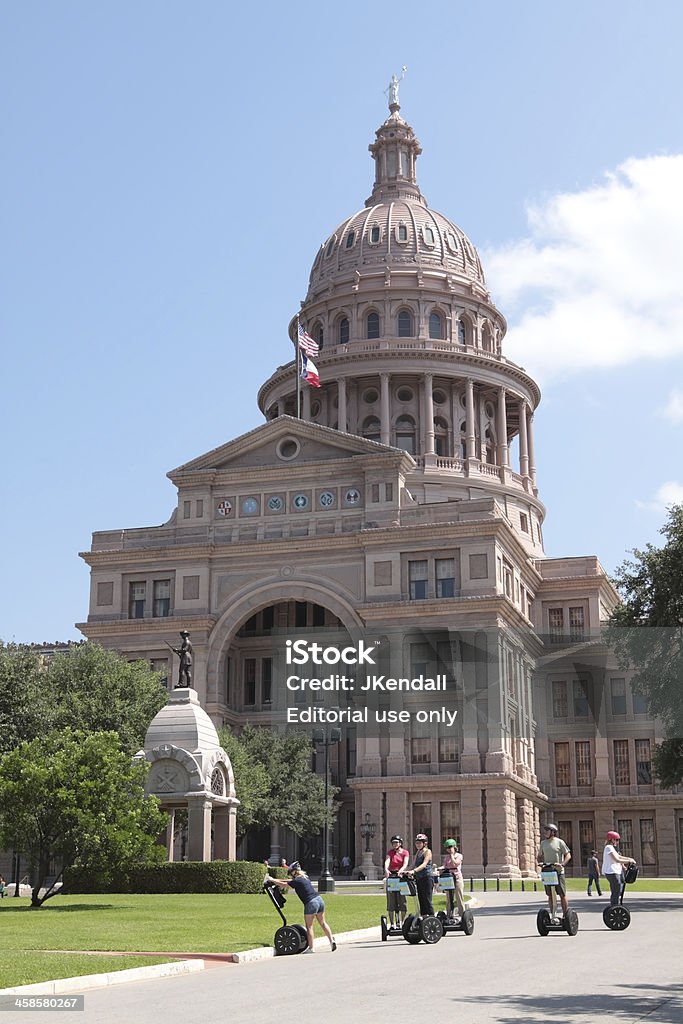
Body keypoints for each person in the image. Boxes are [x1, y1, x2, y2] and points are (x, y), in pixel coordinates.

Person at [266, 861, 336, 953]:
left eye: (291, 873)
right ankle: (332, 941)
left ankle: (311, 948)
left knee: (309, 926)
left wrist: (272, 880)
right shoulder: (304, 877)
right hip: (319, 900)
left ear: (294, 872)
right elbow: (288, 881)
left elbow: (284, 885)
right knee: (323, 923)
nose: (291, 875)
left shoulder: (297, 880)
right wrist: (274, 879)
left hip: (311, 903)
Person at [537, 822, 571, 921]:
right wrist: (540, 863)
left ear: (552, 832)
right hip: (547, 871)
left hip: (558, 871)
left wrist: (562, 864)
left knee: (562, 894)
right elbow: (539, 856)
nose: (545, 832)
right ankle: (553, 915)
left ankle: (566, 915)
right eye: (545, 830)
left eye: (547, 831)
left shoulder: (559, 842)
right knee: (550, 895)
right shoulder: (543, 843)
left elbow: (568, 855)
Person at [602, 831, 636, 906]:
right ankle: (615, 907)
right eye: (616, 840)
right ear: (612, 840)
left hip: (615, 872)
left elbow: (619, 857)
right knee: (616, 891)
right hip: (612, 872)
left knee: (617, 891)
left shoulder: (611, 848)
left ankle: (615, 906)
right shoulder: (608, 847)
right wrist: (628, 861)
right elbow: (617, 860)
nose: (617, 842)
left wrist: (629, 859)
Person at [383, 834, 409, 928]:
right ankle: (392, 923)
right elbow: (387, 861)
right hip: (392, 878)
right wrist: (386, 869)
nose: (395, 844)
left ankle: (402, 923)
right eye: (393, 843)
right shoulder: (390, 852)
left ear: (400, 843)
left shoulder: (405, 852)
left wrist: (401, 870)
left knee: (402, 900)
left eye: (396, 842)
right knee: (391, 901)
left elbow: (405, 863)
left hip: (401, 877)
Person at [438, 838, 465, 918]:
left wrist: (452, 855)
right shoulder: (446, 857)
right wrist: (440, 868)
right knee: (449, 898)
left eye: (450, 847)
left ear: (454, 846)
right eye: (447, 848)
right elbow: (445, 866)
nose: (449, 849)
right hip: (449, 878)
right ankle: (449, 915)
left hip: (457, 878)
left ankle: (462, 915)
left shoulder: (459, 856)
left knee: (459, 897)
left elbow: (456, 864)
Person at [410, 833, 434, 916]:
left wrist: (414, 871)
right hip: (419, 878)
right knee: (421, 899)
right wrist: (405, 871)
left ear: (425, 843)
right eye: (417, 843)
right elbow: (413, 864)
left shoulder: (428, 851)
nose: (418, 844)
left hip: (427, 878)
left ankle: (432, 917)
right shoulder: (418, 852)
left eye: (420, 843)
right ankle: (424, 918)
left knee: (427, 899)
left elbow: (424, 864)